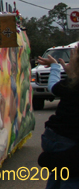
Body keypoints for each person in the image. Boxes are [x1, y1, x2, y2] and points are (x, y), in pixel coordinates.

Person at [35, 47, 79, 188]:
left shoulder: (71, 84)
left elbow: (52, 86)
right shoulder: (71, 84)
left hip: (55, 140)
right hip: (68, 146)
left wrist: (54, 66)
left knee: (59, 175)